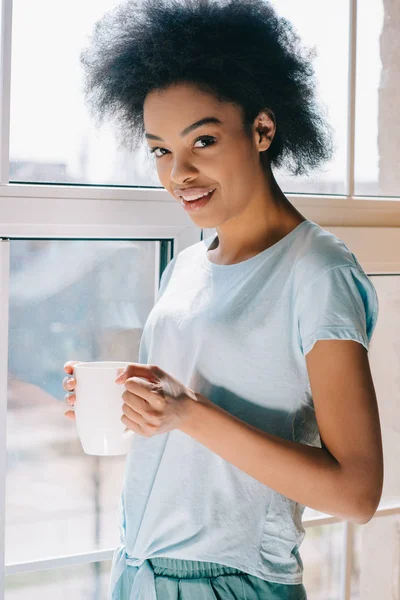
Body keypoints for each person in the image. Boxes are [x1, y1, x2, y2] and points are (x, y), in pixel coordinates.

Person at [62, 1, 384, 598]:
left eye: (202, 141)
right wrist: (135, 400)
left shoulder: (318, 273)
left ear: (262, 129)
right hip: (136, 571)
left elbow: (357, 495)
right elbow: (189, 417)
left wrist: (188, 413)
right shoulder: (186, 265)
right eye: (160, 149)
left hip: (233, 583)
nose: (178, 172)